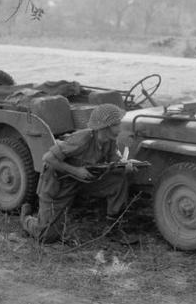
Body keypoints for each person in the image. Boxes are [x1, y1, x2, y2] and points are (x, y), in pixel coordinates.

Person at [20, 103, 130, 243]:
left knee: (118, 179)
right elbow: (48, 159)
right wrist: (77, 171)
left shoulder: (109, 140)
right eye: (117, 124)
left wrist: (126, 164)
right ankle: (26, 218)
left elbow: (115, 159)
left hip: (85, 182)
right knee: (46, 236)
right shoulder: (81, 139)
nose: (120, 128)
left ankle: (112, 229)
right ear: (105, 127)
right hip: (59, 185)